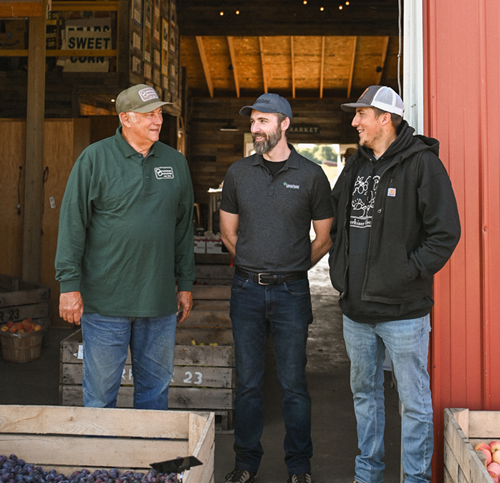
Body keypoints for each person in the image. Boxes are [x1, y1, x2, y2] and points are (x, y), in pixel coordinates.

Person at [328, 85, 461, 483]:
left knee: (414, 402)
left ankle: (415, 479)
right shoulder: (355, 164)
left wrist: (406, 272)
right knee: (364, 396)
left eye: (361, 115)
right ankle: (367, 475)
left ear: (385, 118)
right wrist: (340, 269)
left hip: (404, 311)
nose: (355, 122)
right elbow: (335, 215)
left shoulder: (423, 165)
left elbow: (445, 233)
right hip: (356, 311)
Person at [55, 84, 195, 410]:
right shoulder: (95, 158)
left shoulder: (175, 163)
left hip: (158, 303)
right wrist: (68, 285)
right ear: (125, 118)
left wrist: (185, 284)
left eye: (159, 113)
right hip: (105, 302)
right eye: (148, 114)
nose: (157, 120)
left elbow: (182, 229)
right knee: (101, 396)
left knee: (155, 394)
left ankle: (147, 461)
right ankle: (103, 462)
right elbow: (73, 224)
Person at [220, 93, 334, 483]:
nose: (255, 128)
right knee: (249, 384)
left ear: (285, 124)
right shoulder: (238, 173)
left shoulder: (311, 174)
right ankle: (245, 464)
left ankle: (299, 468)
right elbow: (228, 233)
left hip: (292, 293)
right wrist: (254, 263)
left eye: (263, 121)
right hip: (246, 290)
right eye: (252, 121)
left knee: (294, 385)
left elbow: (324, 237)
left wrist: (294, 268)